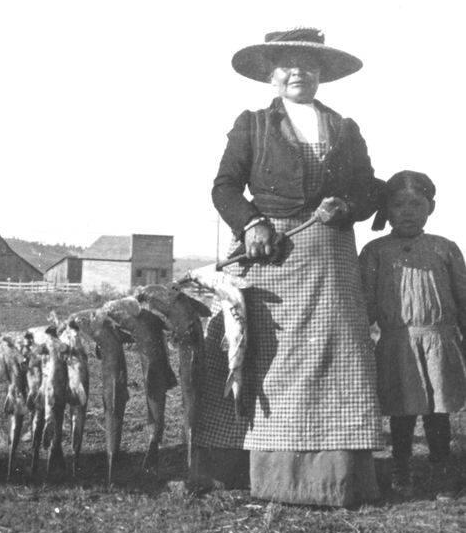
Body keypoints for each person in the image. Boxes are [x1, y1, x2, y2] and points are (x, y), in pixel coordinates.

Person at [191, 28, 385, 507]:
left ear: (322, 74)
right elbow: (224, 187)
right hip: (267, 254)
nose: (299, 71)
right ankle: (241, 469)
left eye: (309, 64)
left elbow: (368, 189)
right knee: (257, 354)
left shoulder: (344, 128)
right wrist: (252, 223)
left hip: (329, 259)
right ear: (271, 75)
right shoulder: (253, 124)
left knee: (333, 359)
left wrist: (348, 206)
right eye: (288, 64)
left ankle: (331, 479)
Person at [360, 171, 466, 499]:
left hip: (438, 341)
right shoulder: (375, 251)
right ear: (387, 210)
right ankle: (401, 468)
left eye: (416, 204)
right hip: (397, 343)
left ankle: (442, 470)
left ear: (430, 208)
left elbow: (463, 298)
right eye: (398, 204)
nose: (407, 211)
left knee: (437, 411)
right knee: (401, 411)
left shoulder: (445, 249)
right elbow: (365, 303)